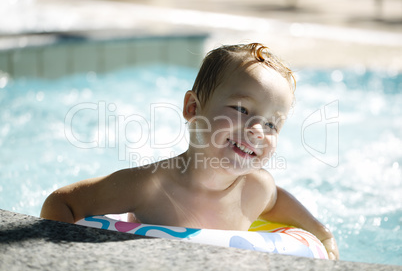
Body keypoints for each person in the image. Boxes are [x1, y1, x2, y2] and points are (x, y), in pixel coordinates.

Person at [41, 43, 339, 260]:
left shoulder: (256, 187)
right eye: (241, 109)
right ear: (193, 108)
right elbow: (62, 203)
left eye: (273, 125)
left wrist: (320, 232)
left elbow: (277, 202)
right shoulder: (150, 186)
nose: (257, 130)